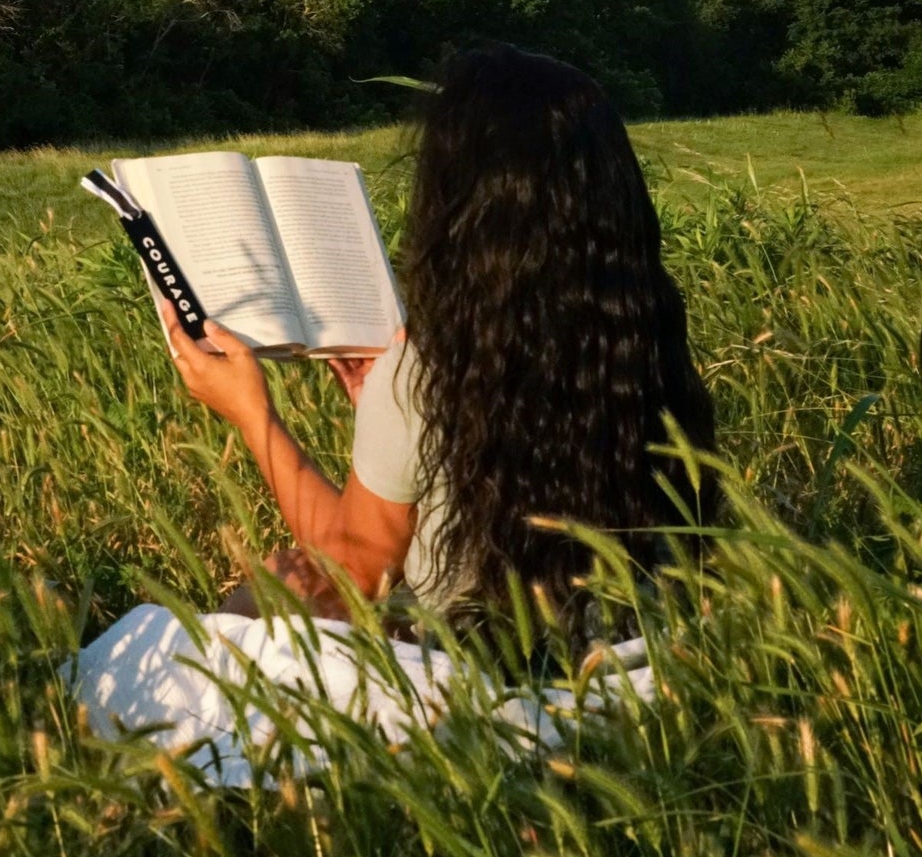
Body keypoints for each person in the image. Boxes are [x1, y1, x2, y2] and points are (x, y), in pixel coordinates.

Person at [158, 44, 717, 636]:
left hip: (480, 683)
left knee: (276, 582)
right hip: (638, 668)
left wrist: (253, 415)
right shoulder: (644, 332)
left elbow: (350, 573)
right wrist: (395, 424)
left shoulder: (426, 369)